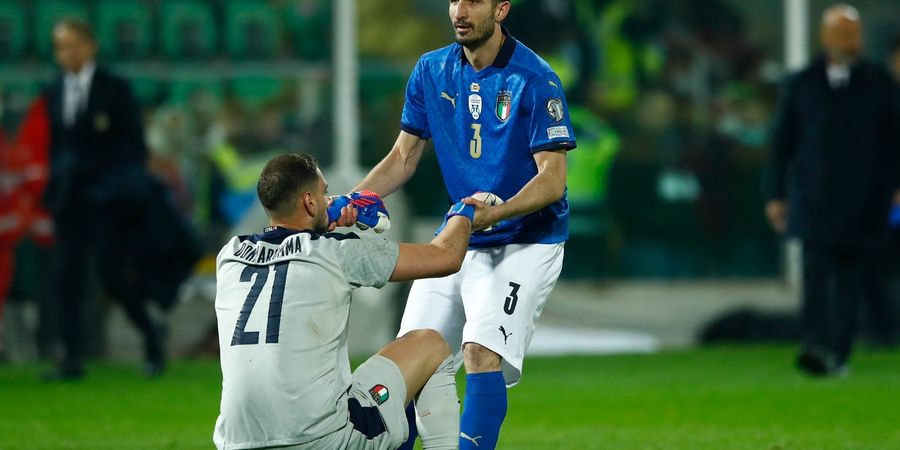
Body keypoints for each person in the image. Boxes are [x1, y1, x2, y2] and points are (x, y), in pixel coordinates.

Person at [350, 1, 576, 448]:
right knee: (410, 362)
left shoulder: (536, 79)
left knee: (479, 352)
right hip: (462, 234)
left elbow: (552, 180)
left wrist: (499, 210)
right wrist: (356, 199)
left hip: (525, 240)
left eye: (474, 1)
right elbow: (402, 157)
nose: (460, 10)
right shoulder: (431, 70)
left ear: (502, 9)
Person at [214, 153, 478, 450]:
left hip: (235, 442)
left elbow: (293, 250)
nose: (330, 200)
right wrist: (465, 211)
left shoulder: (229, 257)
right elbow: (445, 257)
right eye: (325, 193)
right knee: (430, 344)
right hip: (322, 439)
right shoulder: (336, 253)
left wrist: (320, 222)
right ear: (310, 202)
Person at [763, 4, 900, 376]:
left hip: (864, 199)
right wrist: (776, 195)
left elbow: (893, 140)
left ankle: (839, 351)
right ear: (825, 37)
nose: (850, 41)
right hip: (814, 197)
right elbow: (783, 144)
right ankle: (814, 344)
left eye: (853, 33)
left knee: (851, 281)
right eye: (842, 33)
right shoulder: (801, 83)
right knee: (816, 275)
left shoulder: (878, 83)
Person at [42, 19, 164, 380]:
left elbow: (135, 149)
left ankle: (151, 338)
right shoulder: (51, 91)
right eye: (62, 46)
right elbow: (56, 147)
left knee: (113, 276)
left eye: (74, 44)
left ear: (91, 45)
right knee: (66, 278)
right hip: (70, 202)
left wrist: (113, 184)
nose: (69, 53)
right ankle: (71, 360)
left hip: (107, 202)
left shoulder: (116, 89)